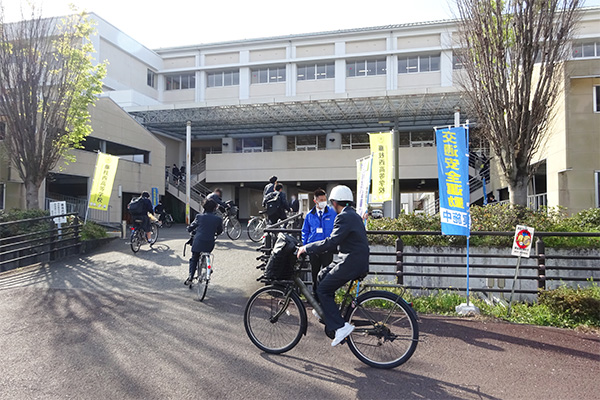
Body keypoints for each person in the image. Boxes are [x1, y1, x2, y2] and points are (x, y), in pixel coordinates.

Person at [297, 185, 370, 347]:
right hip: (352, 259)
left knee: (323, 289)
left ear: (335, 202)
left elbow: (332, 242)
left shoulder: (343, 217)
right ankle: (327, 312)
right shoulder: (352, 215)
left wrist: (306, 248)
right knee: (322, 275)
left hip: (351, 262)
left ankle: (340, 326)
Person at [301, 188, 336, 297]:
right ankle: (315, 297)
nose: (323, 202)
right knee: (315, 274)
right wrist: (305, 245)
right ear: (315, 200)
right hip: (313, 249)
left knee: (328, 275)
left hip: (327, 248)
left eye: (324, 199)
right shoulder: (310, 215)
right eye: (321, 200)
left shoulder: (332, 212)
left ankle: (328, 297)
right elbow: (305, 231)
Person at [185, 199, 223, 285]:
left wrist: (189, 229)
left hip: (198, 242)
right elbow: (220, 231)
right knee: (207, 252)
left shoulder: (199, 217)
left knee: (194, 258)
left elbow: (191, 227)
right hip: (209, 243)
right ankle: (207, 266)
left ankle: (191, 277)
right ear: (214, 208)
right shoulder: (218, 219)